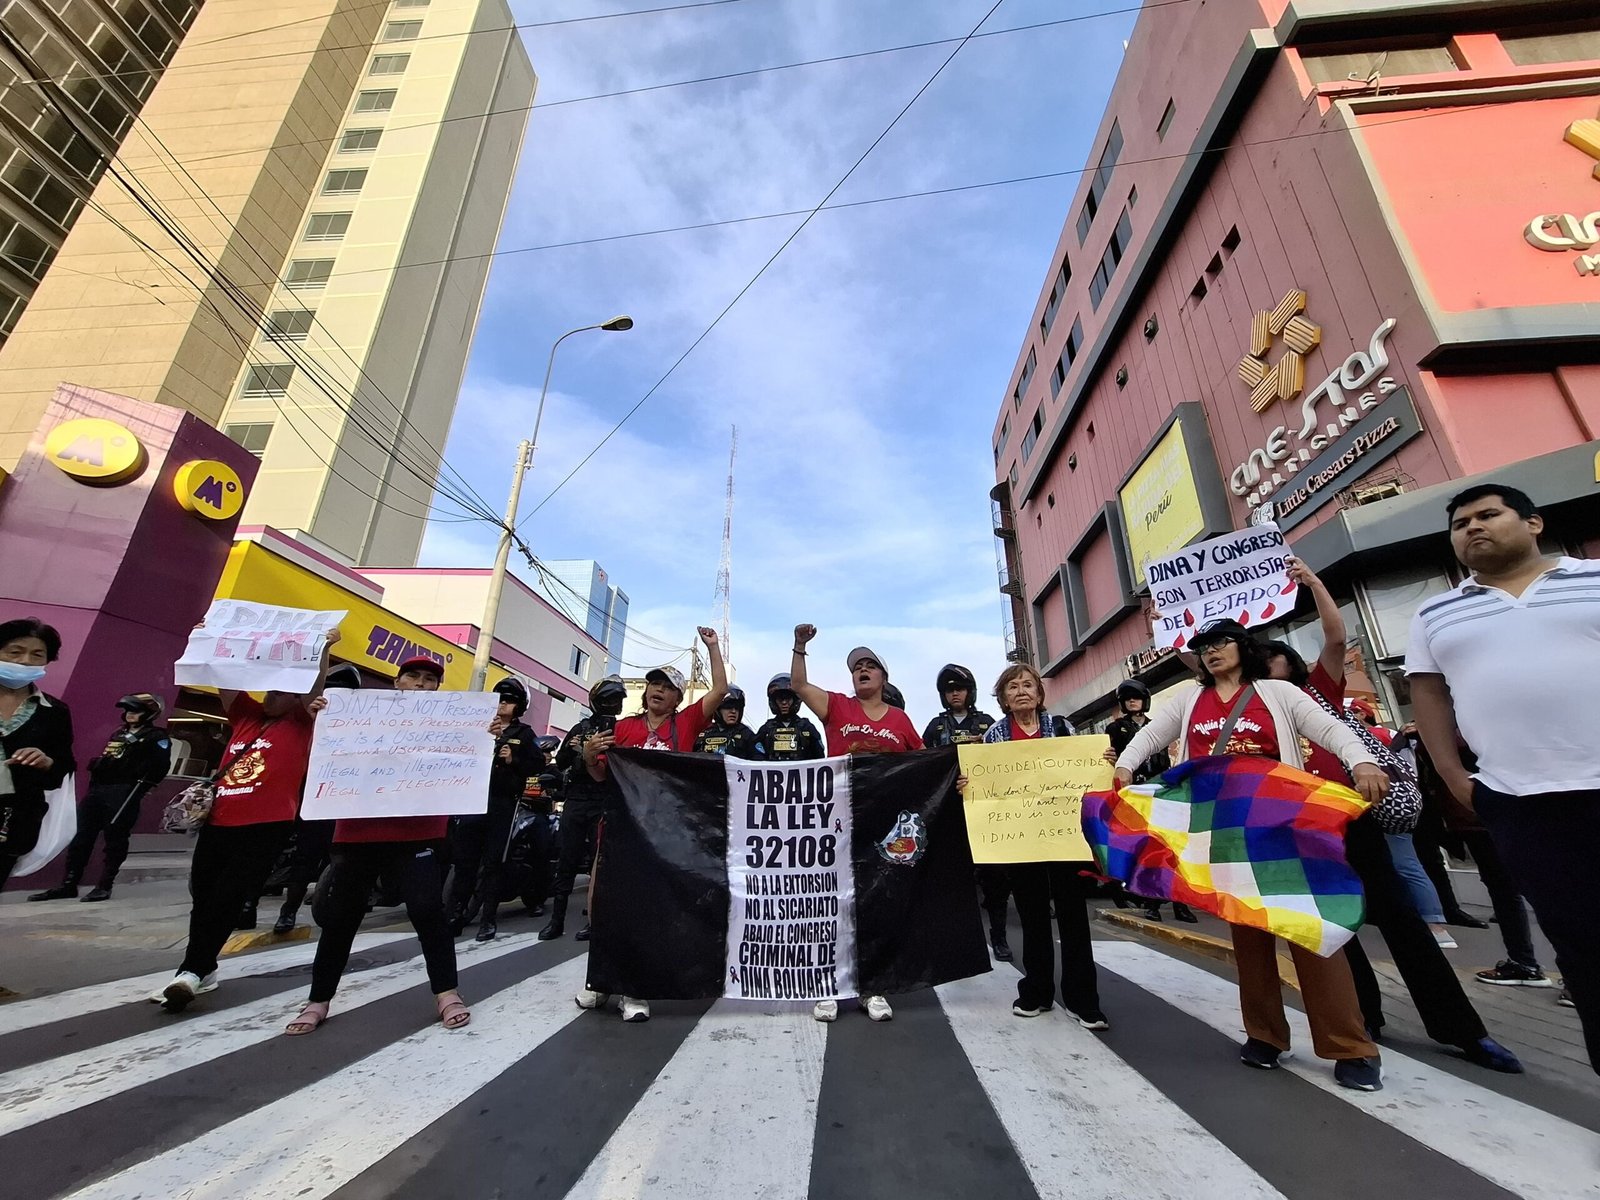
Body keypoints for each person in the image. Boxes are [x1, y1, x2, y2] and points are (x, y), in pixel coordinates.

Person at [1257, 559, 1521, 1073]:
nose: (1263, 667)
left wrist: (1312, 583)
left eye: (1270, 659)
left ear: (1291, 663)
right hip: (1297, 831)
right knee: (1334, 932)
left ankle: (1463, 1032)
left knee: (1402, 922)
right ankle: (1364, 1019)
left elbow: (1334, 637)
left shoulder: (1318, 692)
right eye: (1256, 661)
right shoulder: (1250, 709)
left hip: (1353, 823)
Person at [1115, 617, 1390, 1091]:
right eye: (1203, 647)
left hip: (1280, 827)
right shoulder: (1188, 698)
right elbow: (1151, 735)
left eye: (1221, 643)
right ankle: (1265, 1035)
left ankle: (1350, 1047)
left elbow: (1328, 728)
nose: (1212, 652)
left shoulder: (1279, 693)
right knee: (1248, 935)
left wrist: (1362, 760)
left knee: (1311, 931)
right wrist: (1123, 767)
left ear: (1244, 646)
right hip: (1220, 832)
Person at [1407, 484, 1600, 1073]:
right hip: (1519, 801)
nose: (1472, 528)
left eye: (1488, 515)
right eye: (1460, 523)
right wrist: (1452, 773)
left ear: (1534, 522)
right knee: (1582, 949)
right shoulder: (1435, 611)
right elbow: (1429, 696)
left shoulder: (1592, 580)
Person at [283, 654, 468, 1034]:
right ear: (397, 682)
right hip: (358, 832)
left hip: (419, 832)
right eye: (412, 676)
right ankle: (318, 1000)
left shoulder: (449, 723)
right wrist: (323, 715)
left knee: (427, 911)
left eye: (429, 680)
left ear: (437, 689)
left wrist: (488, 730)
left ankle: (447, 993)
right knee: (341, 918)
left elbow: (469, 759)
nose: (420, 684)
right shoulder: (359, 713)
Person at [156, 630, 338, 1011]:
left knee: (228, 896)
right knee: (203, 896)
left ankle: (190, 970)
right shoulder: (246, 716)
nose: (272, 696)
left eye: (282, 691)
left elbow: (314, 682)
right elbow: (225, 678)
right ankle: (203, 970)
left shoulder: (303, 723)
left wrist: (322, 650)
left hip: (266, 825)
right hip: (218, 821)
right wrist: (212, 635)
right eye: (268, 690)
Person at [576, 628, 728, 1022]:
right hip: (619, 831)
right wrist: (590, 757)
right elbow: (599, 777)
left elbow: (721, 689)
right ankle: (601, 982)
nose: (658, 690)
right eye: (653, 684)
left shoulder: (688, 724)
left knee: (648, 909)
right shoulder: (623, 728)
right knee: (601, 903)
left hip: (664, 836)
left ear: (679, 699)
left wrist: (712, 647)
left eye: (667, 687)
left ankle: (635, 987)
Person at [789, 626, 922, 1023]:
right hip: (837, 819)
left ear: (884, 677)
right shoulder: (837, 707)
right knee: (834, 902)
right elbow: (798, 684)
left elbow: (923, 762)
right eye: (856, 668)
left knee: (876, 904)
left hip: (884, 827)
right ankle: (829, 985)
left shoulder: (900, 719)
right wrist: (800, 646)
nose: (862, 671)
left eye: (870, 666)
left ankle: (871, 986)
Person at [962, 664, 1106, 1029]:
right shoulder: (995, 735)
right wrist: (969, 785)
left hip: (1065, 838)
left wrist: (1103, 764)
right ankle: (1037, 991)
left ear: (1040, 694)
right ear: (1003, 698)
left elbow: (1085, 775)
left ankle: (1082, 999)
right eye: (1013, 687)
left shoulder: (1061, 728)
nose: (1021, 691)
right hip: (1020, 842)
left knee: (1073, 917)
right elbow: (987, 786)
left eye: (1028, 684)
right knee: (1032, 917)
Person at [29, 693, 169, 903]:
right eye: (128, 711)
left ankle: (104, 885)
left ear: (149, 714)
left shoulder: (156, 737)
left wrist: (139, 788)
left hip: (124, 792)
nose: (130, 715)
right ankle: (69, 884)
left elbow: (159, 768)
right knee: (81, 837)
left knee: (115, 841)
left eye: (136, 711)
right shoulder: (118, 733)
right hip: (99, 790)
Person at [921, 664, 1013, 963]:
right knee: (949, 879)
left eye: (959, 688)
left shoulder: (988, 724)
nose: (955, 693)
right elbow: (922, 763)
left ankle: (998, 937)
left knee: (995, 878)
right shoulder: (934, 728)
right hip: (947, 811)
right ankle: (948, 941)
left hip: (984, 811)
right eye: (949, 689)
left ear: (969, 691)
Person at [268, 663, 361, 934]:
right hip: (295, 795)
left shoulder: (361, 728)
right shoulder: (301, 719)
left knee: (319, 856)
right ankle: (268, 906)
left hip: (336, 800)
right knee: (285, 854)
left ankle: (293, 910)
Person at [450, 676, 542, 943]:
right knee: (465, 862)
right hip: (471, 802)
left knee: (494, 862)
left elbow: (537, 764)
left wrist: (513, 759)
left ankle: (488, 919)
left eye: (509, 700)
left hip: (503, 803)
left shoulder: (524, 734)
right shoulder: (477, 727)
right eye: (499, 699)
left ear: (519, 706)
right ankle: (455, 915)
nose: (503, 705)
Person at [539, 674, 626, 942]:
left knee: (599, 863)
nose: (614, 705)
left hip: (604, 800)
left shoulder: (622, 730)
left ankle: (595, 919)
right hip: (576, 800)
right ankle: (557, 920)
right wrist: (581, 755)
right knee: (566, 860)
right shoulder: (580, 729)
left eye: (617, 700)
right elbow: (561, 762)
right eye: (609, 700)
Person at [1104, 680, 1195, 924]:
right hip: (1133, 791)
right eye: (1128, 698)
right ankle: (1150, 901)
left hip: (1161, 789)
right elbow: (1109, 760)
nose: (1133, 701)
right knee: (1144, 848)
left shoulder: (1158, 726)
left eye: (1137, 697)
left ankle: (1180, 903)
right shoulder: (1115, 729)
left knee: (1171, 846)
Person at [0, 619, 75, 892]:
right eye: (14, 652)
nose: (24, 661)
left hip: (12, 822)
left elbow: (65, 765)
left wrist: (47, 761)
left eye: (37, 655)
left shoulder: (54, 711)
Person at [750, 673, 825, 761]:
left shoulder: (807, 727)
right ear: (774, 701)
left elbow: (820, 759)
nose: (784, 703)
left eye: (788, 698)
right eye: (780, 699)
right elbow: (755, 758)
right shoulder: (766, 729)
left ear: (796, 700)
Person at [694, 685, 757, 756]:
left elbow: (759, 761)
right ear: (718, 709)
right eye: (728, 706)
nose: (733, 711)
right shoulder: (703, 734)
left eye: (737, 708)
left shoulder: (746, 734)